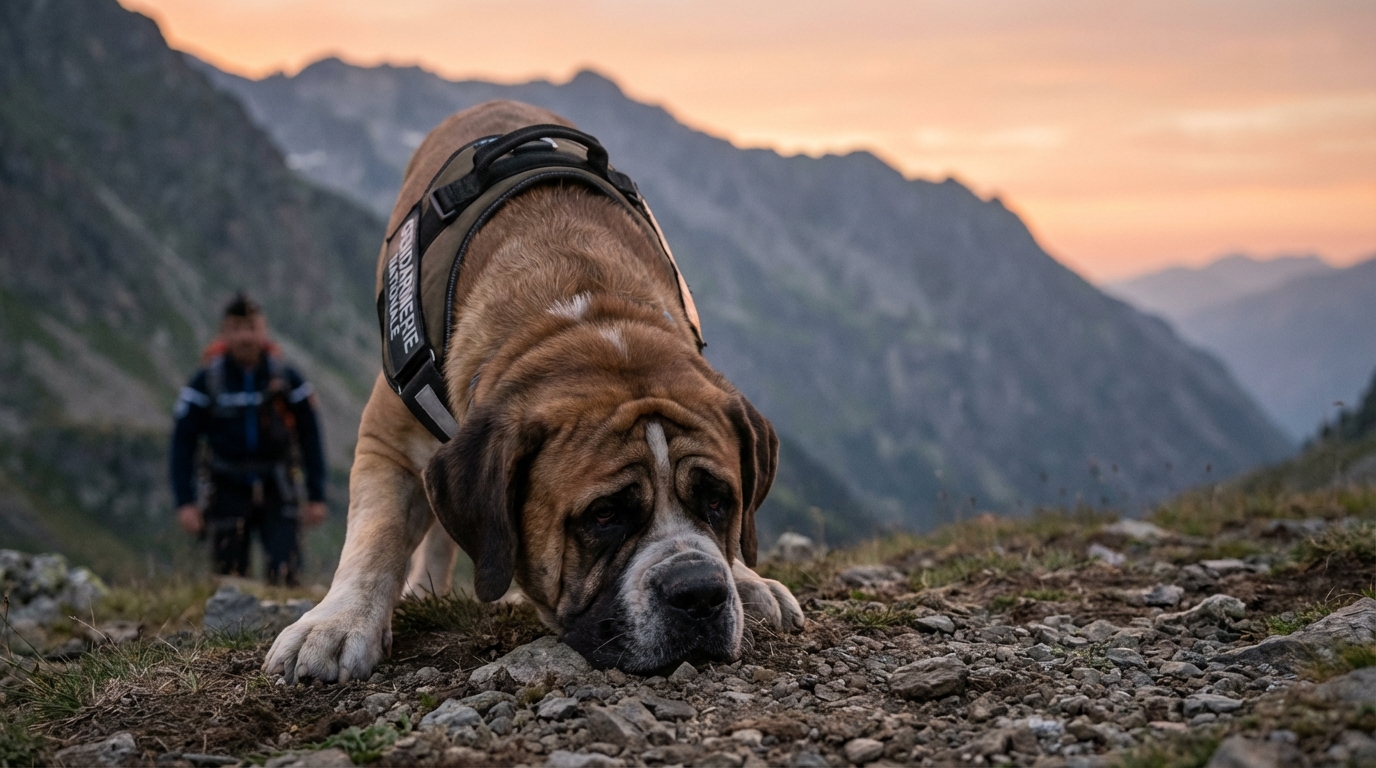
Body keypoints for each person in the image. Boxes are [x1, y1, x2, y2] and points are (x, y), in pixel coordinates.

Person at [170, 293, 327, 585]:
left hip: (278, 489)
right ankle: (231, 632)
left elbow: (311, 436)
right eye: (237, 328)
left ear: (263, 331)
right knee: (229, 581)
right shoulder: (205, 383)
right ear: (224, 333)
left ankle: (285, 627)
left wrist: (317, 495)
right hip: (225, 490)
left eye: (252, 327)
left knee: (286, 576)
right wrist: (185, 501)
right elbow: (182, 442)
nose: (245, 336)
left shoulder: (288, 379)